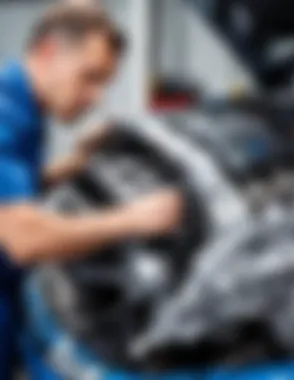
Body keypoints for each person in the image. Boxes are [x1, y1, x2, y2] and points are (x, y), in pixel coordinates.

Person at [0, 4, 183, 377]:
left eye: (104, 83)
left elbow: (14, 191)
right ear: (48, 52)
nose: (96, 97)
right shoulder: (5, 115)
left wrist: (74, 162)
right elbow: (21, 238)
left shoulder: (24, 107)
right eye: (90, 78)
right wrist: (132, 219)